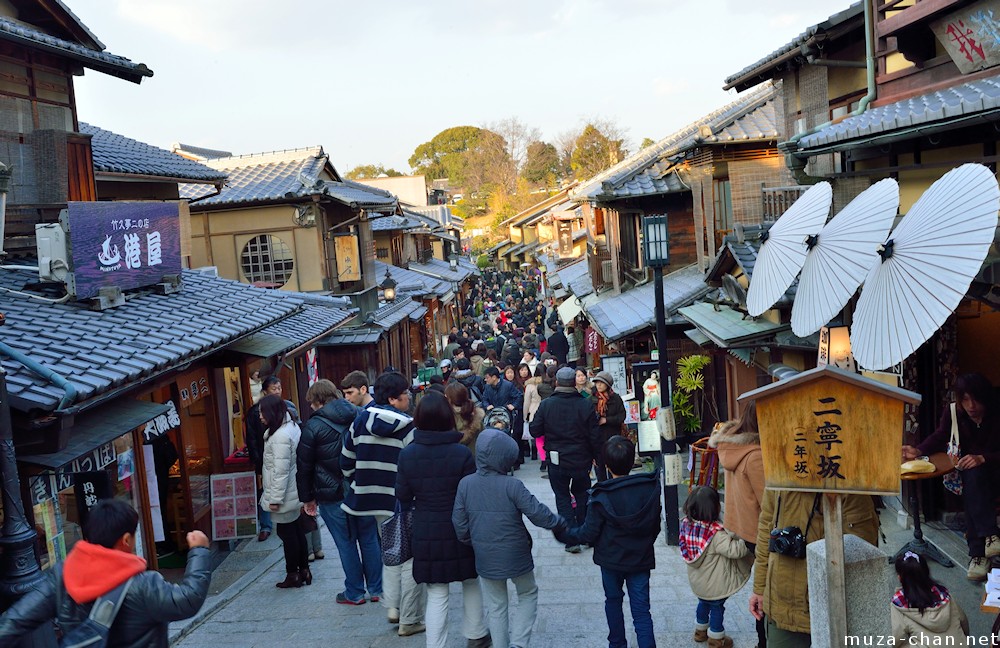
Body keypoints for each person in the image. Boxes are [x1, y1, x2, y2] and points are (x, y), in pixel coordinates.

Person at [0, 499, 211, 647]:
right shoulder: (144, 584)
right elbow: (188, 599)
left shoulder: (63, 575)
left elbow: (15, 620)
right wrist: (199, 550)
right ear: (126, 540)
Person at [453, 428, 566, 648]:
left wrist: (473, 540)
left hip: (485, 555)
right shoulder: (512, 486)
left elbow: (459, 523)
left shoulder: (466, 484)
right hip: (516, 553)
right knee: (527, 592)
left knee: (496, 605)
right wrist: (558, 523)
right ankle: (519, 643)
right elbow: (537, 513)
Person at [396, 392, 491, 648]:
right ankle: (476, 634)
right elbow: (472, 493)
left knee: (437, 592)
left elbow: (403, 495)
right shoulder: (460, 453)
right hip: (461, 527)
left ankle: (436, 645)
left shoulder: (407, 455)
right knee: (470, 580)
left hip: (426, 528)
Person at [341, 371, 426, 636]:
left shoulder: (361, 420)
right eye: (405, 395)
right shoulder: (408, 426)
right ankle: (407, 616)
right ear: (393, 398)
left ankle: (393, 607)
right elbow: (415, 464)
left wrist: (359, 481)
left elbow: (345, 460)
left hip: (368, 497)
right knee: (410, 554)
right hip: (400, 498)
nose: (409, 398)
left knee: (389, 549)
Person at [561, 436, 661, 648]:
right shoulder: (648, 488)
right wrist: (644, 543)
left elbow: (588, 533)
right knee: (642, 611)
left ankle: (617, 644)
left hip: (610, 560)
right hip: (640, 559)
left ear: (605, 464)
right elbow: (655, 525)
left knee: (613, 602)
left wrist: (567, 534)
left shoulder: (600, 496)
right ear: (632, 459)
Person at [902, 373, 1000, 580]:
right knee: (973, 479)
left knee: (975, 483)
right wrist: (919, 451)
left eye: (976, 399)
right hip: (971, 476)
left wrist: (984, 458)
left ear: (986, 398)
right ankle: (990, 535)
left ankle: (978, 554)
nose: (971, 405)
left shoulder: (997, 410)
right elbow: (941, 435)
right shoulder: (954, 412)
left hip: (996, 469)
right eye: (965, 399)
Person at [749, 490, 879, 645]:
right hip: (781, 605)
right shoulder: (779, 476)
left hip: (830, 611)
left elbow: (861, 551)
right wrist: (759, 587)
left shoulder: (848, 484)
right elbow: (766, 531)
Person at [297, 379, 381, 605]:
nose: (312, 408)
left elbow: (304, 466)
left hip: (332, 494)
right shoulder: (362, 415)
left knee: (345, 542)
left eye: (312, 404)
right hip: (363, 488)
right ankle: (377, 588)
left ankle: (354, 592)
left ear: (319, 401)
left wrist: (307, 498)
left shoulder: (313, 427)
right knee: (369, 538)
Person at [708, 399, 766, 647]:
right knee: (766, 591)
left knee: (762, 586)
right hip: (759, 530)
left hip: (742, 527)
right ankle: (764, 641)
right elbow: (770, 503)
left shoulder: (732, 444)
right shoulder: (755, 455)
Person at [530, 366, 601, 553]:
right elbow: (595, 435)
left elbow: (534, 430)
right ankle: (585, 534)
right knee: (582, 494)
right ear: (573, 382)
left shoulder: (547, 405)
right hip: (581, 458)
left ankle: (571, 539)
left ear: (557, 383)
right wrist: (597, 456)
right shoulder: (585, 404)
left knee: (562, 497)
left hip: (556, 459)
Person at [680, 486, 752, 648]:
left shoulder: (686, 526)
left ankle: (700, 632)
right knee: (717, 608)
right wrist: (744, 539)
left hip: (698, 584)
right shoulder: (716, 534)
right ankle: (716, 639)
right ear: (715, 508)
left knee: (702, 604)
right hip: (715, 586)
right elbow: (735, 551)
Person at [259, 395, 308, 588]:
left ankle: (292, 573)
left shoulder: (280, 435)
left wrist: (275, 499)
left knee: (287, 534)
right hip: (293, 489)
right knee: (296, 530)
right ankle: (304, 570)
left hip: (285, 492)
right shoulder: (291, 426)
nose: (260, 416)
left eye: (263, 412)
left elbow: (280, 471)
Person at [247, 376, 300, 542]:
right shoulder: (255, 412)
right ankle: (265, 526)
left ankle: (297, 565)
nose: (277, 391)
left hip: (282, 465)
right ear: (264, 391)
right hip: (266, 462)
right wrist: (258, 463)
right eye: (273, 389)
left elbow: (282, 468)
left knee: (289, 532)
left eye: (279, 388)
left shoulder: (287, 411)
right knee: (266, 492)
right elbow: (252, 440)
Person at [891, 551, 969, 645]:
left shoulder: (899, 604)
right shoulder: (945, 596)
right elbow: (964, 623)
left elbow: (895, 639)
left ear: (900, 577)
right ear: (927, 572)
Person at [592, 371, 627, 482]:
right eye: (597, 383)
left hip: (613, 438)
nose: (599, 385)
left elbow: (622, 416)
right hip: (597, 439)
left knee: (614, 468)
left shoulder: (615, 398)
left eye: (601, 383)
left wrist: (606, 420)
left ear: (608, 384)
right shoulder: (591, 399)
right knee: (600, 470)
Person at [446, 382, 485, 456]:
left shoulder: (447, 419)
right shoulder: (476, 416)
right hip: (476, 458)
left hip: (456, 459)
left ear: (449, 399)